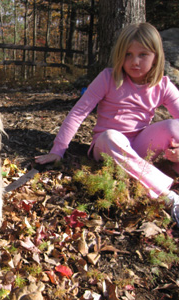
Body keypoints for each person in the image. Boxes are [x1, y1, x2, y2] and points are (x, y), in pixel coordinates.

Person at [35, 23, 179, 224]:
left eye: (143, 55)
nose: (134, 61)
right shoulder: (108, 78)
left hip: (139, 145)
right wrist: (57, 150)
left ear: (156, 56)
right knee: (112, 137)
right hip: (106, 146)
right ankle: (169, 197)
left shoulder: (162, 85)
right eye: (128, 54)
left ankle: (153, 171)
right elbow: (78, 113)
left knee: (174, 126)